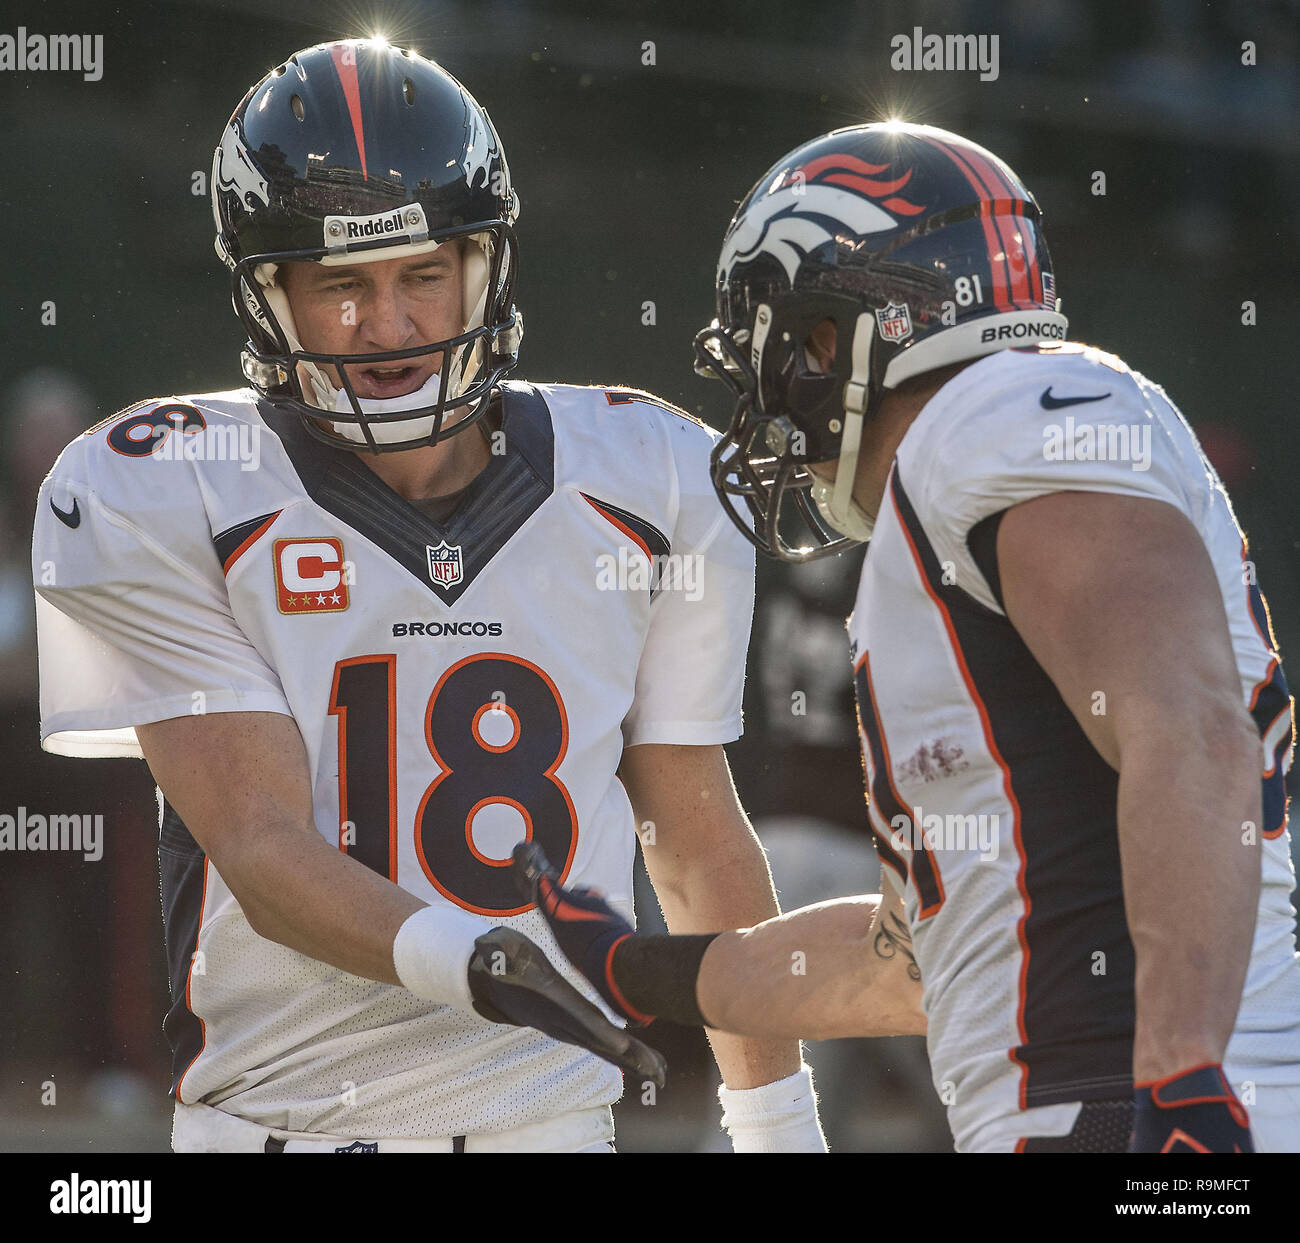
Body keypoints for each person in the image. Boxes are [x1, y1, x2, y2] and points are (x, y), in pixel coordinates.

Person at [31, 38, 825, 1154]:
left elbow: (693, 840)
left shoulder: (650, 473)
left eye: (421, 275)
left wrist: (779, 1130)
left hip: (548, 1130)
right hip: (281, 1130)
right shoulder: (160, 487)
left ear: (484, 266)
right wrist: (483, 961)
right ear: (271, 297)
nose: (390, 327)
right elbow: (263, 850)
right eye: (340, 286)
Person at [514, 121, 1300, 1154]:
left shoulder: (1001, 414)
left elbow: (1192, 732)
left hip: (1136, 1107)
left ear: (846, 331)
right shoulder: (944, 504)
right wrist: (630, 965)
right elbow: (905, 957)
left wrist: (1185, 1082)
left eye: (781, 339)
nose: (768, 390)